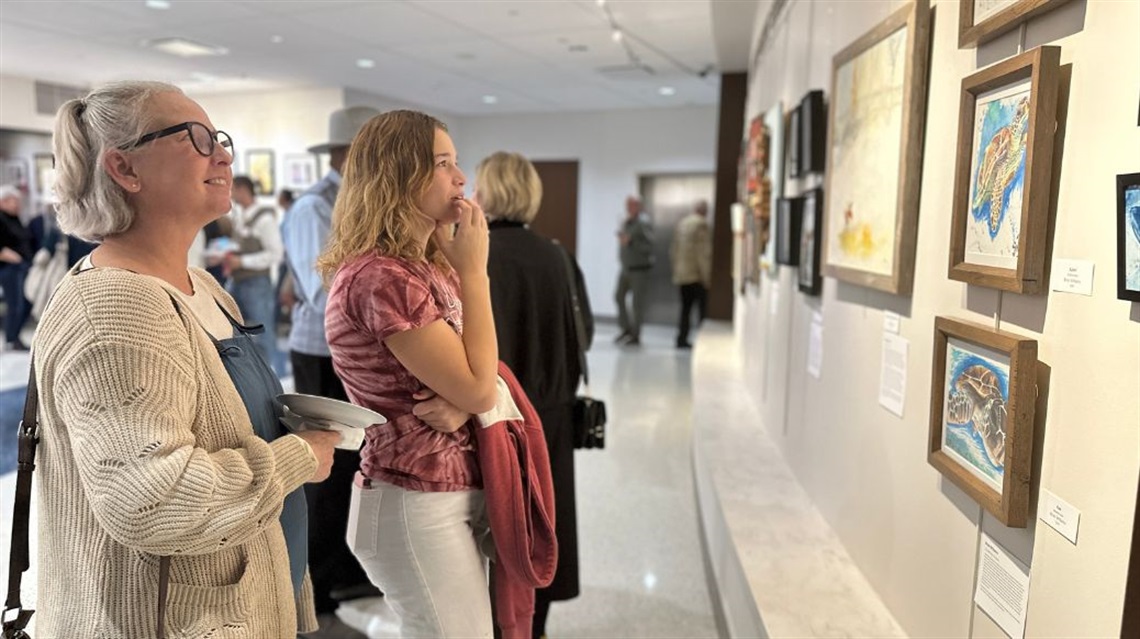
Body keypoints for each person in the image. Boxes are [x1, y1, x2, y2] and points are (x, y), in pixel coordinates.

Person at [30, 80, 340, 638]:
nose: (222, 153)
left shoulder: (197, 285)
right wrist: (298, 456)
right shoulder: (118, 305)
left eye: (219, 136)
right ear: (125, 169)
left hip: (237, 602)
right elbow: (151, 500)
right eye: (196, 138)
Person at [319, 109, 500, 637]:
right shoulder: (380, 277)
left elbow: (479, 372)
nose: (461, 179)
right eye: (443, 164)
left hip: (439, 493)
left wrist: (468, 397)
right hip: (414, 498)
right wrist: (475, 271)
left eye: (456, 162)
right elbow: (479, 383)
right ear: (399, 176)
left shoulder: (422, 265)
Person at [478, 151, 591, 638]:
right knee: (542, 523)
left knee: (492, 530)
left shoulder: (471, 257)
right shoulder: (558, 256)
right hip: (550, 417)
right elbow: (581, 335)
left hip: (489, 417)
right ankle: (535, 624)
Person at [281, 105, 381, 617]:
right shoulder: (314, 207)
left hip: (352, 351)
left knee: (354, 465)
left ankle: (344, 570)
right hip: (321, 350)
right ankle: (315, 583)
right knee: (325, 466)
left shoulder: (362, 204)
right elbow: (327, 292)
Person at [224, 174, 283, 363]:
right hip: (237, 281)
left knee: (262, 333)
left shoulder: (264, 219)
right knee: (232, 329)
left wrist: (243, 262)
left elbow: (276, 254)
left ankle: (269, 378)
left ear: (242, 190)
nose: (230, 194)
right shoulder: (241, 215)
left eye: (232, 189)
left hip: (257, 284)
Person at [670, 199, 712, 349]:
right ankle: (703, 341)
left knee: (685, 309)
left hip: (682, 275)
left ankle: (681, 338)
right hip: (696, 275)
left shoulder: (682, 224)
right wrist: (706, 277)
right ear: (704, 211)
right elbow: (703, 254)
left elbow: (674, 250)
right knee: (702, 311)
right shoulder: (702, 225)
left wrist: (676, 270)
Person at [614, 195, 654, 346]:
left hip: (639, 270)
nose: (629, 208)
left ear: (639, 206)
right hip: (626, 269)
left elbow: (649, 247)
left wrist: (631, 242)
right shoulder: (627, 222)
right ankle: (626, 328)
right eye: (628, 205)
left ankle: (636, 335)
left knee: (637, 304)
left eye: (632, 205)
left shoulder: (643, 224)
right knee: (618, 296)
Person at [0, 184, 33, 351]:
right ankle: (12, 339)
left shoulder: (15, 218)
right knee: (16, 304)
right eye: (14, 200)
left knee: (25, 303)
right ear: (3, 201)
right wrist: (15, 259)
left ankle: (15, 336)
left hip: (21, 267)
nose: (18, 204)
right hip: (10, 269)